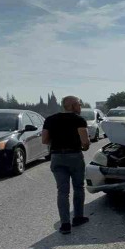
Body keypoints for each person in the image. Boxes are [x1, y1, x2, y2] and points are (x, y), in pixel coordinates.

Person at [42, 96, 90, 234]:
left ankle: (65, 224)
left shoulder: (50, 119)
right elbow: (85, 142)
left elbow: (44, 140)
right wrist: (85, 147)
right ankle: (78, 217)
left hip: (56, 157)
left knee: (62, 191)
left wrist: (58, 144)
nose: (80, 107)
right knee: (78, 187)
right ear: (73, 105)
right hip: (74, 156)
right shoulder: (79, 120)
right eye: (79, 105)